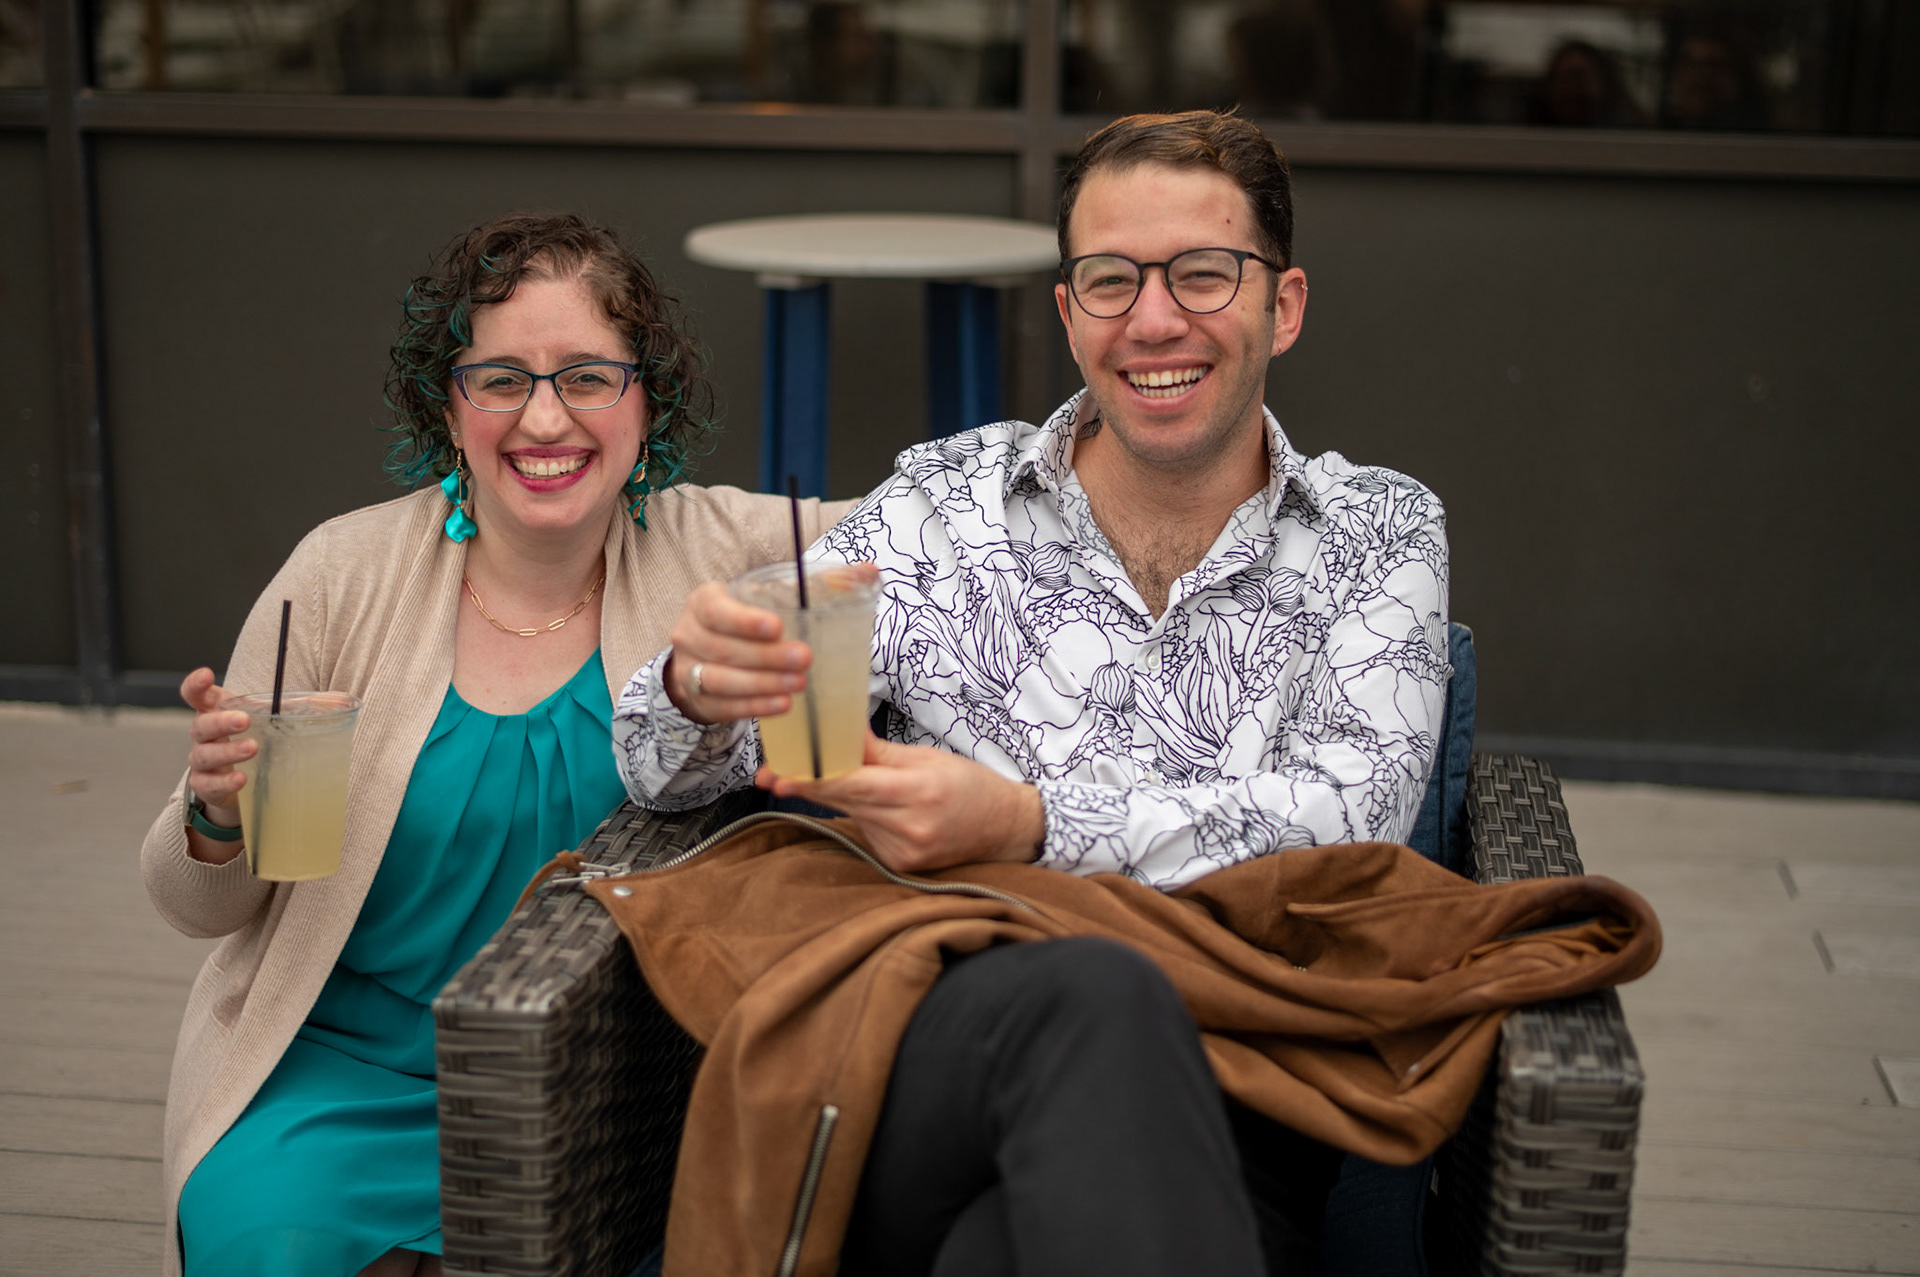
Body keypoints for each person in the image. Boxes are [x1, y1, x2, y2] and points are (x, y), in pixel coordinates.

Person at [616, 109, 1449, 1274]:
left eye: (1204, 273)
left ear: (1285, 303)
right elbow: (659, 769)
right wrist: (699, 685)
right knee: (1092, 997)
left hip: (1244, 1093)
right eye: (1111, 279)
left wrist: (1026, 823)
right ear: (1068, 312)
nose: (1153, 319)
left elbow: (1355, 822)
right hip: (936, 1050)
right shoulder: (944, 509)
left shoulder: (1379, 532)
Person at [141, 211, 851, 1277]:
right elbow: (198, 908)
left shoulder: (726, 549)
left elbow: (946, 523)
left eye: (588, 377)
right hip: (336, 1070)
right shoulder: (338, 580)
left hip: (598, 1088)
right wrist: (215, 811)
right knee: (269, 1248)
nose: (545, 417)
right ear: (449, 404)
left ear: (646, 400)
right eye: (502, 379)